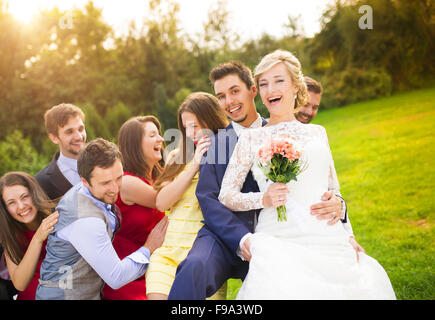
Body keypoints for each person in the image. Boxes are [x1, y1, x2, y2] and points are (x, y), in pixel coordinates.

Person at [218, 49, 396, 299]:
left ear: (295, 86)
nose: (270, 90)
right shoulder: (251, 138)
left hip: (327, 236)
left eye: (279, 80)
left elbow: (334, 191)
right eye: (264, 84)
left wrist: (348, 229)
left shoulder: (318, 133)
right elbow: (226, 195)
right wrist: (263, 199)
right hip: (279, 237)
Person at [168, 61, 352, 300]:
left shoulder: (284, 132)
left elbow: (316, 184)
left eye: (235, 91)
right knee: (194, 267)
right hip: (224, 237)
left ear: (253, 90)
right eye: (221, 96)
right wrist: (241, 239)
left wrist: (339, 205)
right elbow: (208, 199)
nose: (229, 101)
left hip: (276, 233)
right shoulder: (216, 143)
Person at [36, 138, 168, 300]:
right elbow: (116, 277)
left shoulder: (88, 191)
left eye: (119, 178)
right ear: (84, 181)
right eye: (105, 183)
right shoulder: (85, 220)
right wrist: (149, 248)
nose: (114, 188)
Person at [146, 92, 228, 300]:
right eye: (186, 127)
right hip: (168, 251)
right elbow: (162, 201)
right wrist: (194, 166)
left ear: (211, 121)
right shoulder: (178, 155)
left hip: (204, 255)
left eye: (196, 126)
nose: (191, 133)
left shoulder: (228, 154)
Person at [102, 116, 166, 300]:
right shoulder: (127, 181)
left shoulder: (155, 178)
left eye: (159, 134)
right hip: (129, 274)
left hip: (153, 268)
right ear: (135, 145)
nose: (161, 139)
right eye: (152, 135)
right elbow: (168, 201)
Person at [0, 172, 59, 300]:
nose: (21, 206)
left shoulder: (58, 217)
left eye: (24, 196)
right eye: (11, 203)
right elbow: (20, 284)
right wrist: (37, 238)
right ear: (5, 208)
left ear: (34, 193)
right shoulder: (10, 236)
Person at [35, 103, 86, 200]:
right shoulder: (40, 183)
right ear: (54, 138)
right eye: (69, 132)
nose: (78, 137)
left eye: (81, 129)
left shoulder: (103, 164)